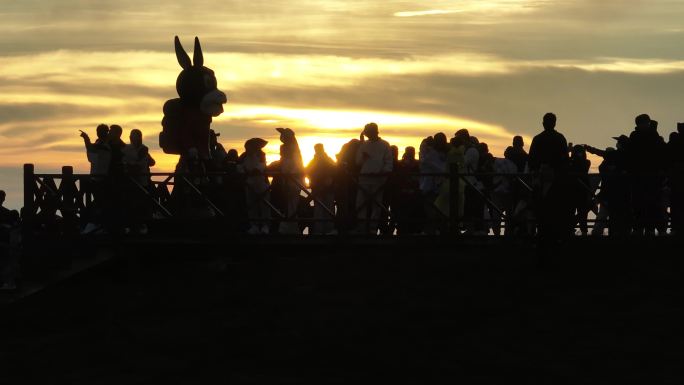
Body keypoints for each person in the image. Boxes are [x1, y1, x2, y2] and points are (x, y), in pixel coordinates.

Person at [528, 112, 571, 238]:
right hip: (556, 176)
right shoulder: (560, 138)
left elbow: (531, 159)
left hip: (540, 175)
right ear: (554, 123)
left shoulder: (537, 139)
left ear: (543, 123)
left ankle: (539, 230)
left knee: (539, 204)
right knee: (555, 206)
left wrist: (535, 170)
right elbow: (564, 160)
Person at [628, 114, 667, 236]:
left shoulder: (636, 136)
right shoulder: (652, 135)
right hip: (644, 175)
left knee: (650, 203)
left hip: (647, 175)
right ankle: (642, 228)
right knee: (641, 203)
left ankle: (646, 228)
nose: (647, 125)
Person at [355, 122, 393, 234]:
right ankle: (362, 227)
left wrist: (382, 173)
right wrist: (363, 157)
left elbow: (388, 162)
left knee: (376, 204)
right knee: (361, 203)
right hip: (364, 179)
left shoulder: (385, 145)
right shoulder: (364, 145)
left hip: (378, 180)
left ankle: (372, 228)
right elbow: (358, 162)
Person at [122, 129, 156, 234]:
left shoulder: (143, 149)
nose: (131, 138)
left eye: (133, 136)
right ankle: (136, 225)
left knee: (142, 204)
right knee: (134, 204)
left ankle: (142, 225)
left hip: (142, 181)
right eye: (131, 136)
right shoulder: (127, 148)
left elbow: (152, 162)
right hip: (132, 182)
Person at [275, 127, 304, 234]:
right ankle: (288, 225)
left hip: (292, 178)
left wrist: (288, 175)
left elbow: (294, 164)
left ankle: (290, 226)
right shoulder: (287, 148)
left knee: (291, 203)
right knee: (288, 202)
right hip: (287, 177)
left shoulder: (292, 150)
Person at [306, 144, 337, 235]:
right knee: (324, 208)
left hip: (325, 188)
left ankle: (324, 230)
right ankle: (323, 230)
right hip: (322, 188)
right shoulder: (325, 160)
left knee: (325, 208)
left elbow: (307, 171)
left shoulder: (316, 161)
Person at [241, 138, 270, 234]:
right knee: (251, 204)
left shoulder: (261, 155)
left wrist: (255, 170)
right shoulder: (244, 155)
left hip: (262, 183)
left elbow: (262, 166)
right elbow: (240, 166)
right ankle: (254, 225)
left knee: (264, 204)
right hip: (249, 183)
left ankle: (265, 226)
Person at [568, 144, 591, 235]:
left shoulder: (586, 162)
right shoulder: (584, 161)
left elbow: (581, 167)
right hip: (579, 189)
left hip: (579, 190)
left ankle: (583, 231)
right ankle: (573, 230)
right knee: (574, 212)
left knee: (581, 212)